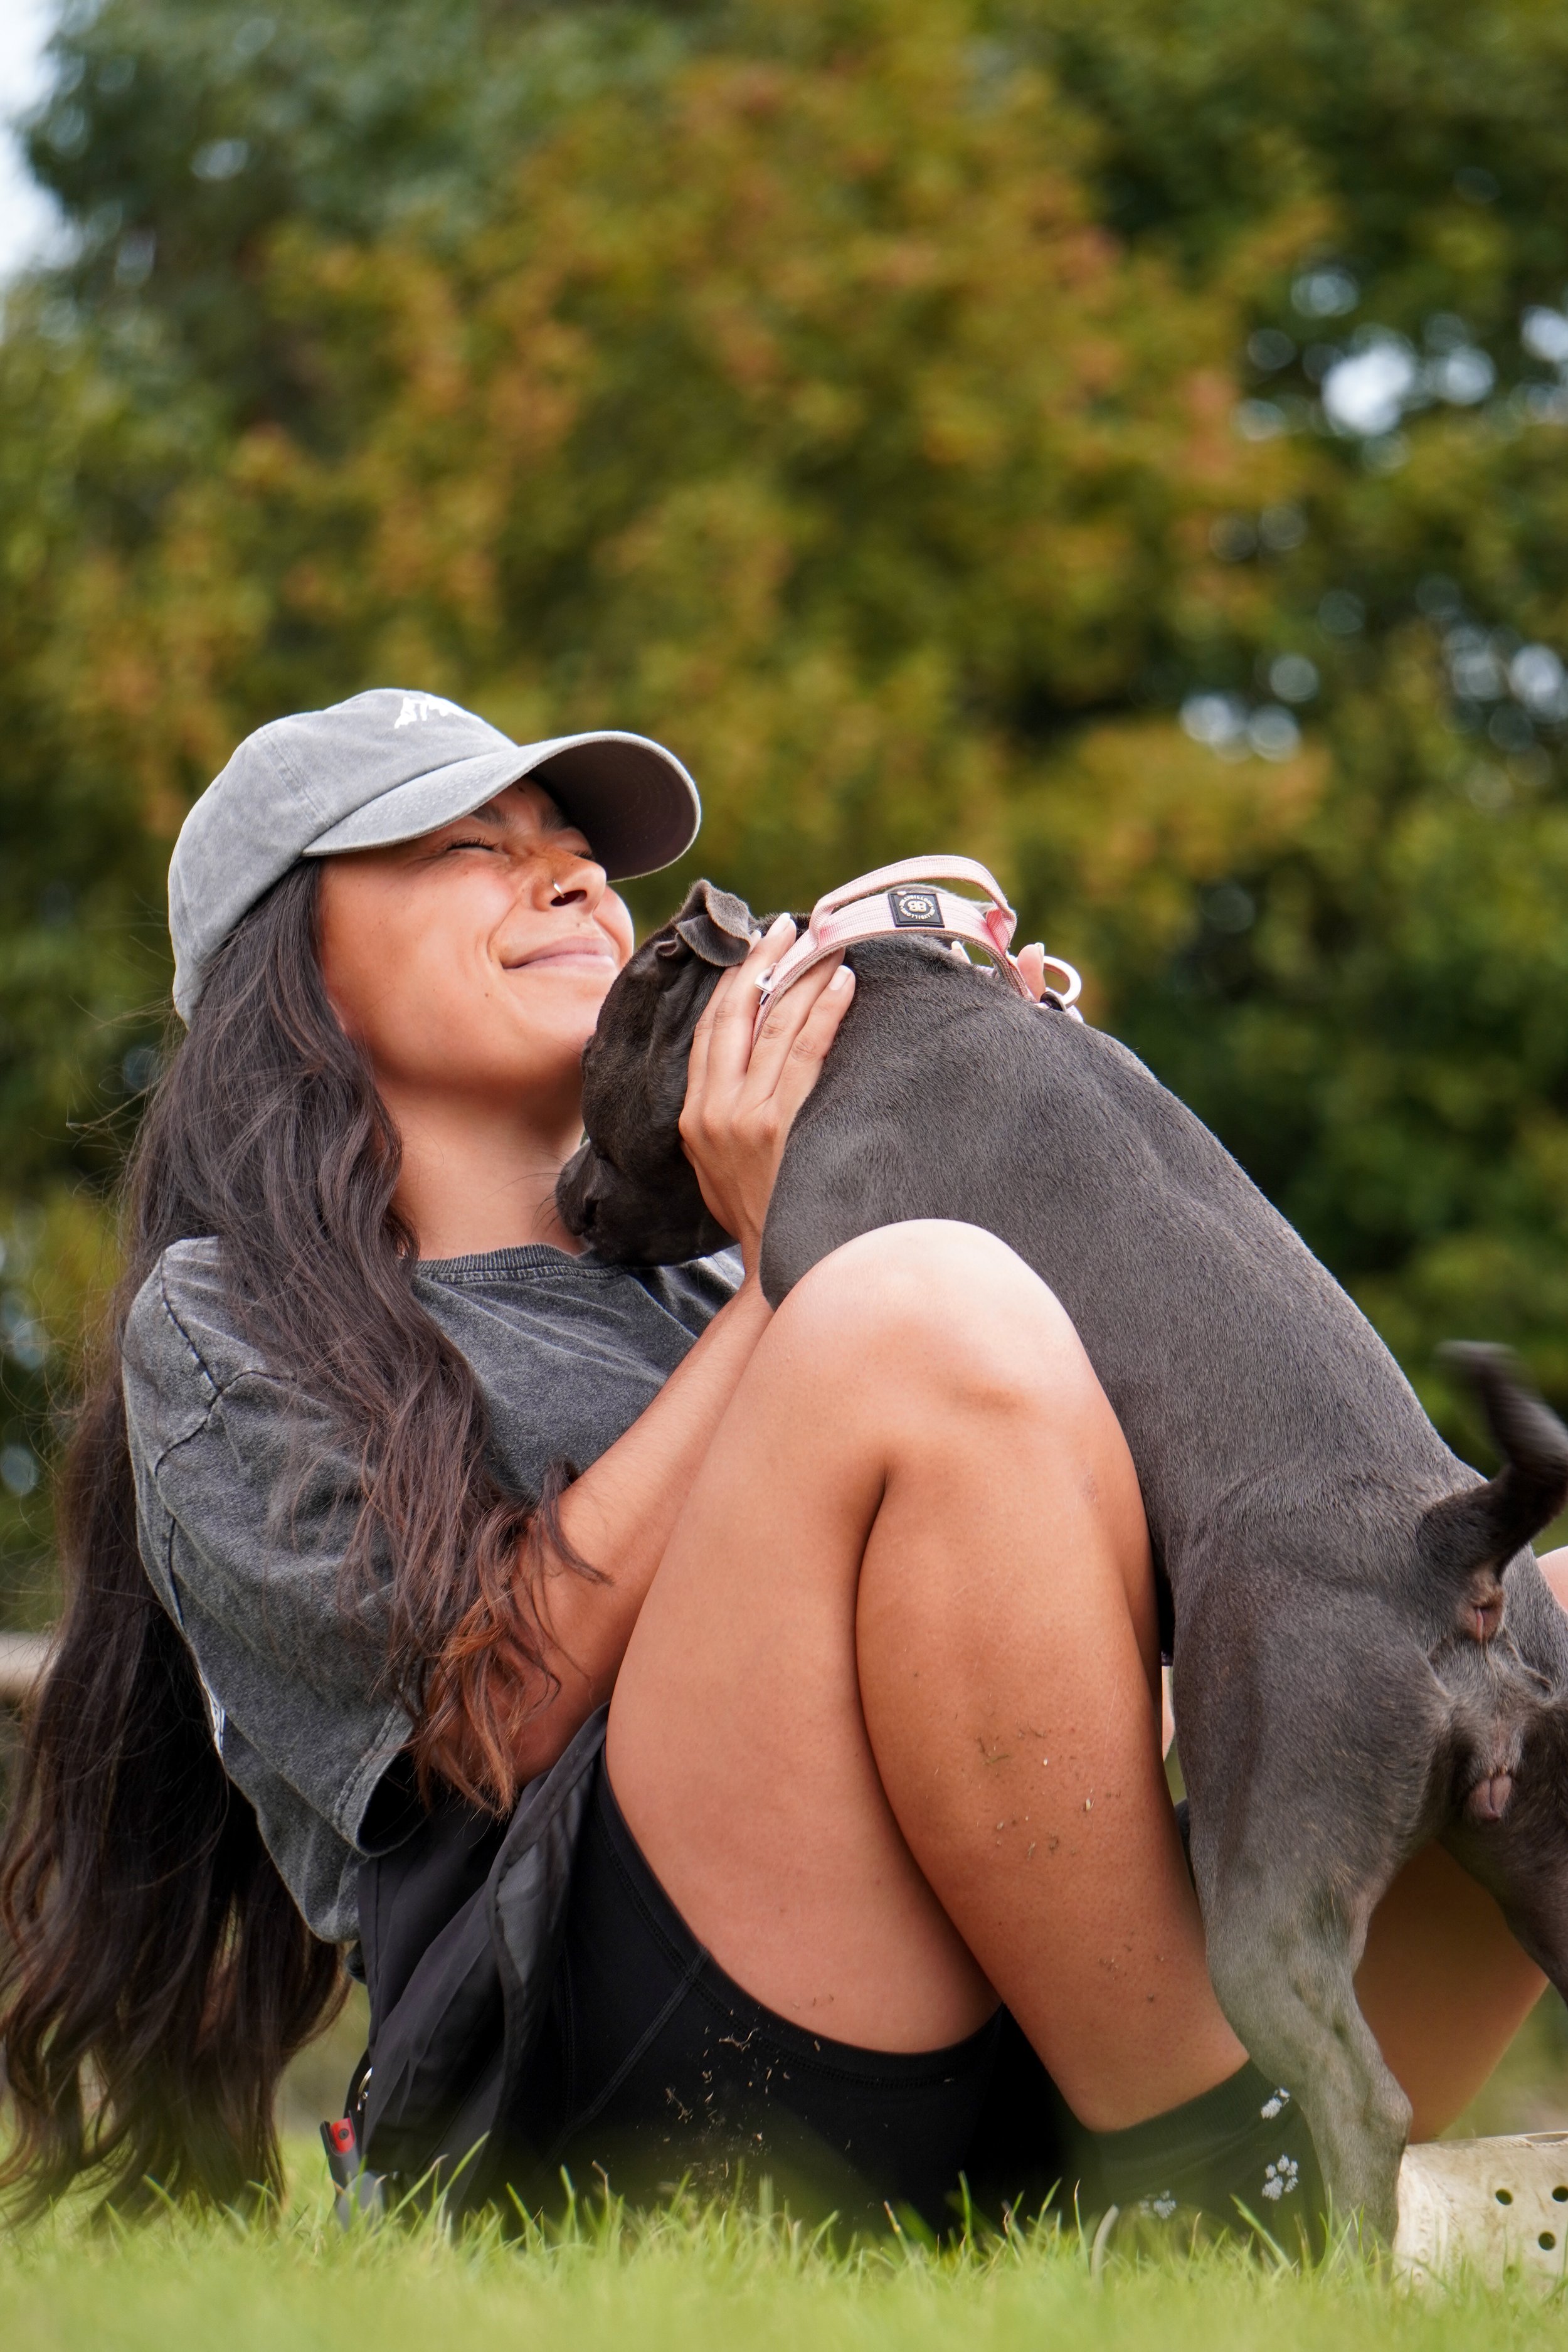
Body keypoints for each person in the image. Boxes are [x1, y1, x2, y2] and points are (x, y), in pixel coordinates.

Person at [0, 688, 1556, 2242]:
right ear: (300, 979)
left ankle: (1209, 2174)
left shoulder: (714, 1270)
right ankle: (1217, 2185)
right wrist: (796, 1260)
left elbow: (1107, 1680)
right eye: (471, 846)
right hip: (592, 2081)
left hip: (999, 2016)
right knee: (913, 1304)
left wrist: (1004, 1117)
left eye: (578, 854)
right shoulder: (231, 1316)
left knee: (1543, 1609)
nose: (571, 879)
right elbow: (485, 1719)